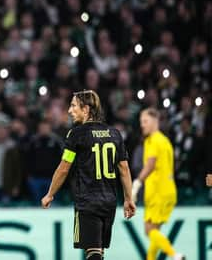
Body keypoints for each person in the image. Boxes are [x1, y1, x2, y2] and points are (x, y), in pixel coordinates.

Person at [41, 90, 135, 260]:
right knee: (98, 252)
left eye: (73, 106)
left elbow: (64, 167)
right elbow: (124, 169)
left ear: (86, 109)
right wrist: (129, 198)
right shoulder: (114, 134)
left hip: (87, 201)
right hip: (109, 202)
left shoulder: (76, 134)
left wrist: (50, 194)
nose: (70, 110)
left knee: (93, 253)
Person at [131, 108, 185, 260]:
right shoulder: (164, 141)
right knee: (154, 233)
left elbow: (150, 164)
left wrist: (137, 183)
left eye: (145, 121)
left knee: (149, 231)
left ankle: (175, 255)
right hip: (166, 190)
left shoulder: (154, 140)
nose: (142, 125)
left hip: (158, 193)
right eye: (141, 122)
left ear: (156, 122)